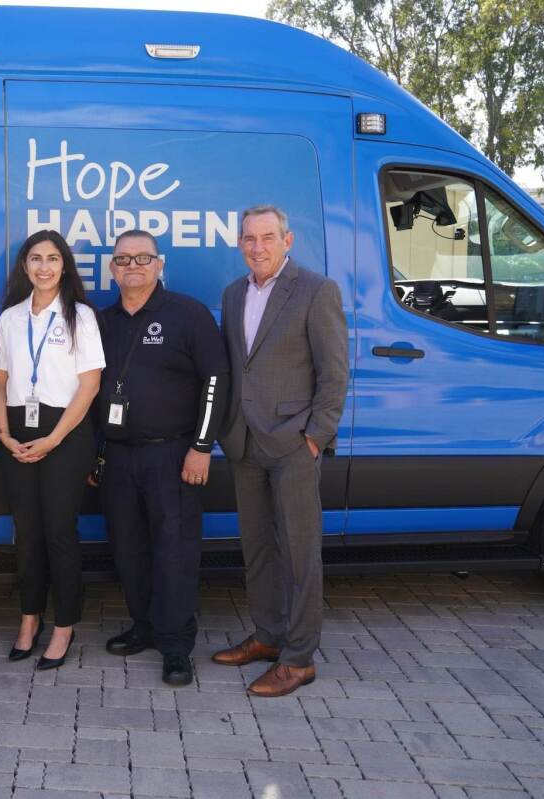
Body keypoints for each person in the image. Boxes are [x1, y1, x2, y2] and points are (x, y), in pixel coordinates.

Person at [212, 205, 347, 697]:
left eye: (267, 237)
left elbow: (334, 374)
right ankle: (268, 636)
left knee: (299, 553)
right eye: (249, 238)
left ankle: (298, 658)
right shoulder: (232, 294)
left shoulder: (316, 290)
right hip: (245, 441)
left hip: (293, 442)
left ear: (287, 240)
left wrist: (315, 435)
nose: (257, 246)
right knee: (258, 548)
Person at [95, 230, 228, 687]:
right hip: (118, 457)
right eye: (123, 259)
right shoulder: (102, 320)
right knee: (129, 550)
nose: (133, 266)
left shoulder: (187, 314)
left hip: (174, 456)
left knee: (175, 552)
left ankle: (175, 645)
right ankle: (145, 627)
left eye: (143, 258)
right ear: (111, 268)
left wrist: (202, 446)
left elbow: (216, 383)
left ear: (160, 264)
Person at [0, 231, 103, 671]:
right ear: (25, 266)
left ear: (64, 266)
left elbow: (90, 385)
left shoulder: (81, 317)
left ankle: (64, 625)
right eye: (35, 258)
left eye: (53, 259)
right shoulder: (10, 319)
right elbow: (0, 382)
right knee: (28, 532)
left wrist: (54, 439)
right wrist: (3, 434)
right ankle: (29, 619)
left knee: (59, 531)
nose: (44, 267)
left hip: (66, 433)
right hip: (17, 430)